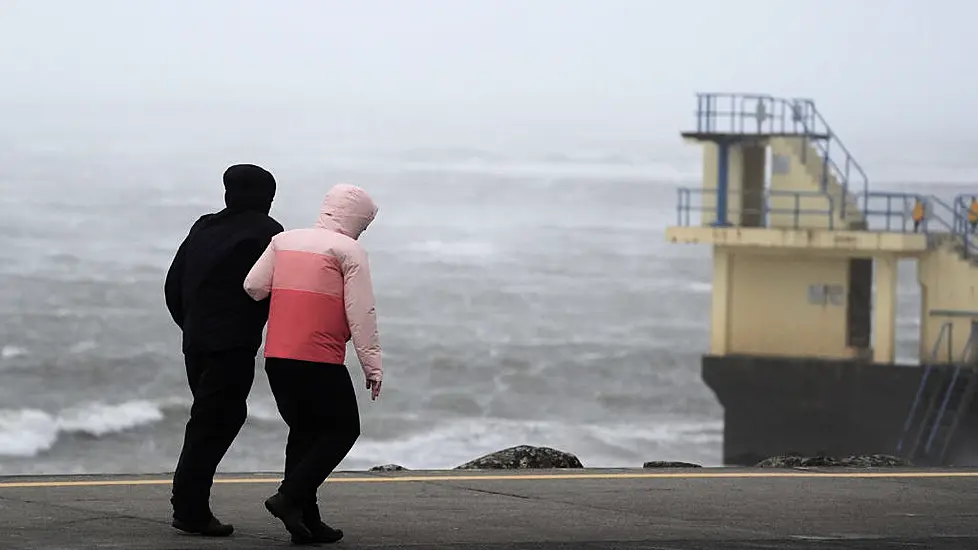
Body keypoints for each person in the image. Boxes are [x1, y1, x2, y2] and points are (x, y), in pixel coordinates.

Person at [243, 183, 383, 544]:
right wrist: (373, 366)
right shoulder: (349, 250)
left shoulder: (283, 241)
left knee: (304, 432)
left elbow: (254, 286)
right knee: (342, 429)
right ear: (356, 219)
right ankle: (288, 498)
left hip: (278, 355)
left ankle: (307, 522)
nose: (362, 231)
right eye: (364, 224)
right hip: (318, 357)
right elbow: (361, 313)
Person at [164, 164, 284, 537]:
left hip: (196, 340)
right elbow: (273, 293)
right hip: (231, 345)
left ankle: (189, 502)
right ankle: (189, 507)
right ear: (266, 198)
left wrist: (193, 325)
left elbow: (173, 284)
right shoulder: (270, 233)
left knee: (207, 420)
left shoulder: (204, 226)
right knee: (215, 423)